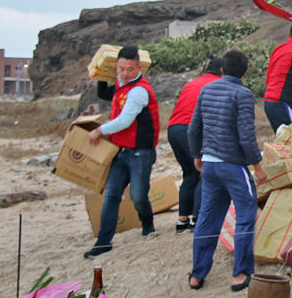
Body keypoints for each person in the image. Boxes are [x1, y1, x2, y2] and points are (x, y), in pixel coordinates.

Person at [188, 49, 267, 291]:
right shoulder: (242, 94)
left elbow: (193, 128)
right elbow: (246, 135)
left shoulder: (206, 89)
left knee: (207, 218)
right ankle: (240, 273)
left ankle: (197, 274)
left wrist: (197, 155)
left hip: (210, 165)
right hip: (233, 165)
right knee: (246, 215)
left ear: (222, 70)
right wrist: (257, 165)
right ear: (245, 72)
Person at [84, 46, 160, 258]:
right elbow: (103, 93)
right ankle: (103, 242)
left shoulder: (139, 92)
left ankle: (148, 224)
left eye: (130, 69)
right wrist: (101, 73)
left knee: (138, 196)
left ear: (139, 68)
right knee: (112, 195)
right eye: (120, 69)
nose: (125, 73)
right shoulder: (120, 84)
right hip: (120, 151)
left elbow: (125, 120)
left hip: (140, 153)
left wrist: (99, 131)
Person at [167, 57, 223, 233]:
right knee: (206, 171)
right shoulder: (218, 84)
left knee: (189, 174)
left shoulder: (192, 83)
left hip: (173, 129)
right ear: (222, 71)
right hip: (190, 129)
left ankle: (182, 219)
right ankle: (197, 218)